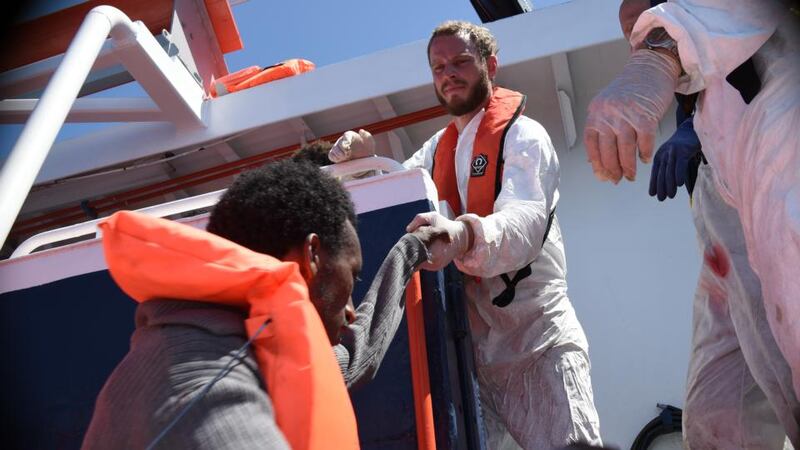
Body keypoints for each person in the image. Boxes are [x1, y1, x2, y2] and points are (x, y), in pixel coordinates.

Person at [329, 20, 601, 449]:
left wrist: (464, 236)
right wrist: (364, 162)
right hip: (473, 359)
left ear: (489, 65)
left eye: (460, 62)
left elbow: (525, 220)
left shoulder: (524, 136)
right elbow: (402, 189)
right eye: (438, 67)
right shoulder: (437, 148)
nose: (448, 73)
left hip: (539, 345)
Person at [82, 160, 445, 449]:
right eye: (351, 278)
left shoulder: (244, 334)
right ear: (312, 255)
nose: (351, 310)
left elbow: (355, 352)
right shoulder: (201, 387)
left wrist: (413, 249)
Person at [584, 0, 800, 412]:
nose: (640, 36)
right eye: (634, 36)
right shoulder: (702, 108)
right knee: (717, 409)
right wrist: (692, 129)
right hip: (726, 222)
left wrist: (658, 54)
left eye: (647, 21)